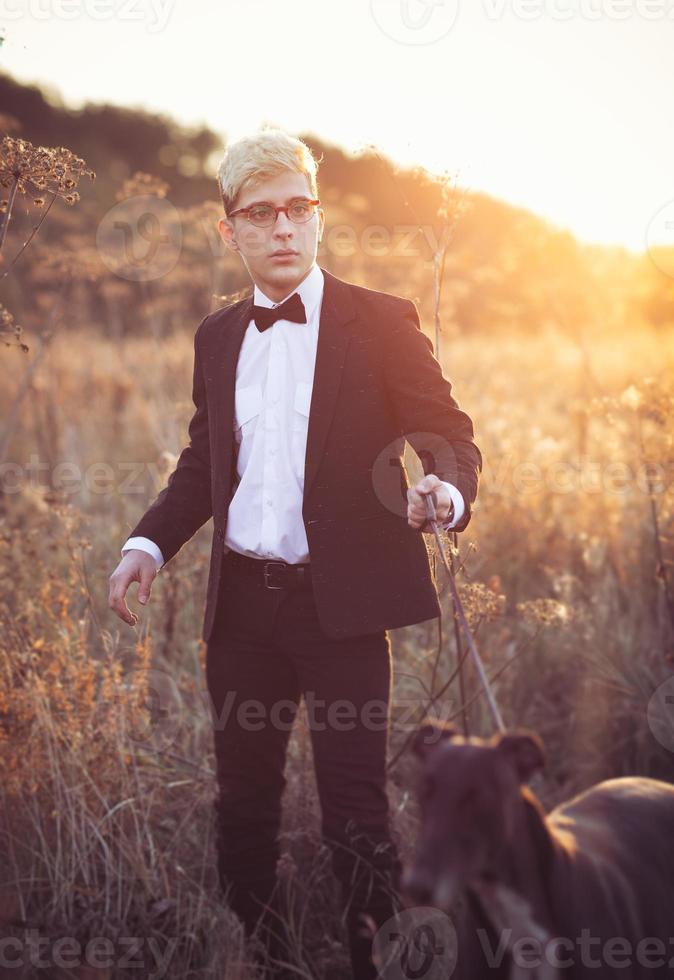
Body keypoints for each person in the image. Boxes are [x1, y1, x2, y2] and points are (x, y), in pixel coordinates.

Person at [108, 128, 482, 979]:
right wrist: (146, 545)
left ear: (318, 217)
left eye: (299, 209)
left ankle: (372, 963)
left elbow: (449, 435)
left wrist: (446, 494)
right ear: (229, 230)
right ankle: (272, 958)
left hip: (341, 611)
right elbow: (207, 462)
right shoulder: (216, 336)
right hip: (242, 609)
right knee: (242, 809)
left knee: (354, 816)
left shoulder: (379, 321)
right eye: (262, 213)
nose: (284, 228)